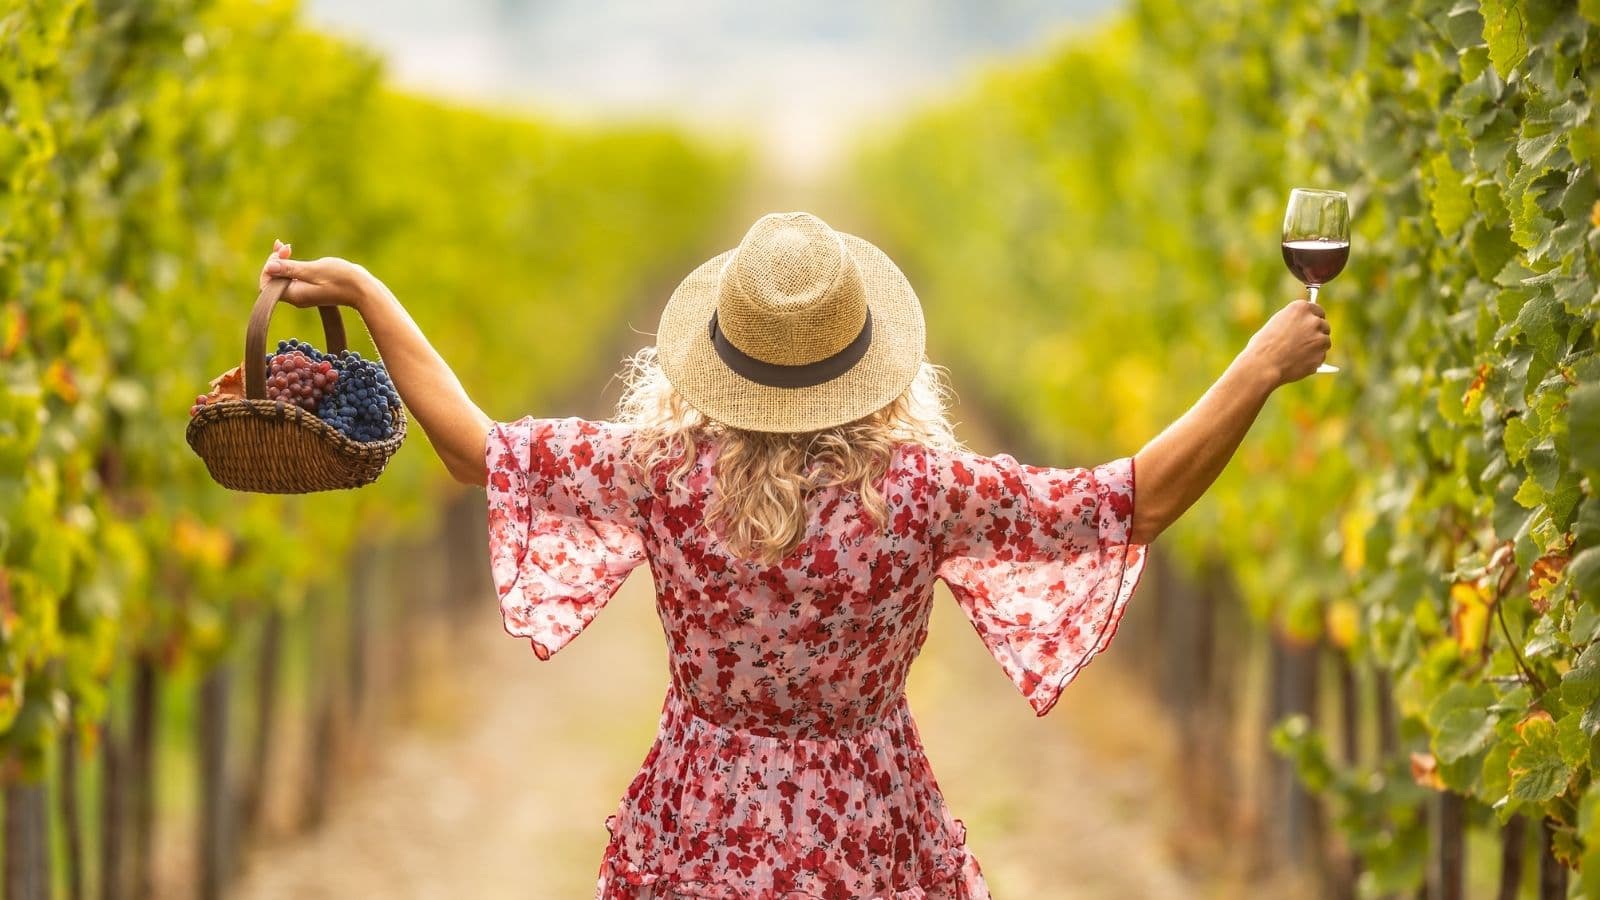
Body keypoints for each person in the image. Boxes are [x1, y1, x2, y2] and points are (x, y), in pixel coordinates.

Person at [259, 211, 1330, 898]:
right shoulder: (922, 491)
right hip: (866, 822)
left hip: (698, 819)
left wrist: (365, 291)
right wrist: (1258, 365)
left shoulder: (660, 470)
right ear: (868, 360)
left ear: (720, 355)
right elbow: (1128, 503)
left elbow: (471, 450)